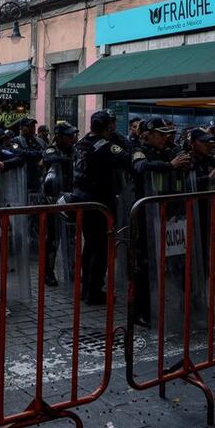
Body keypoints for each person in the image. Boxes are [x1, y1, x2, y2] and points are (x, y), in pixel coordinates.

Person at [130, 117, 190, 324]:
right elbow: (140, 167)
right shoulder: (139, 150)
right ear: (149, 134)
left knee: (172, 260)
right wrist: (169, 165)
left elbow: (184, 161)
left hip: (170, 214)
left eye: (167, 134)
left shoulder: (168, 150)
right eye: (161, 134)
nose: (166, 138)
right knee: (144, 263)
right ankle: (141, 311)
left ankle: (170, 302)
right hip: (146, 215)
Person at [71, 110, 132, 305]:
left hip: (82, 198)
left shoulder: (82, 141)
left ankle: (86, 288)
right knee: (100, 248)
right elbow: (126, 157)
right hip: (99, 202)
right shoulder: (104, 146)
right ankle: (94, 291)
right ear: (109, 126)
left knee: (89, 246)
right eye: (112, 123)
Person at [42, 121, 79, 287]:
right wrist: (68, 159)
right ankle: (48, 272)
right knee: (53, 239)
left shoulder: (75, 150)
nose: (72, 138)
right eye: (69, 136)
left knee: (72, 237)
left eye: (73, 135)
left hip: (70, 197)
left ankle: (72, 270)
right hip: (53, 199)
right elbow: (49, 158)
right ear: (59, 137)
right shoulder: (53, 149)